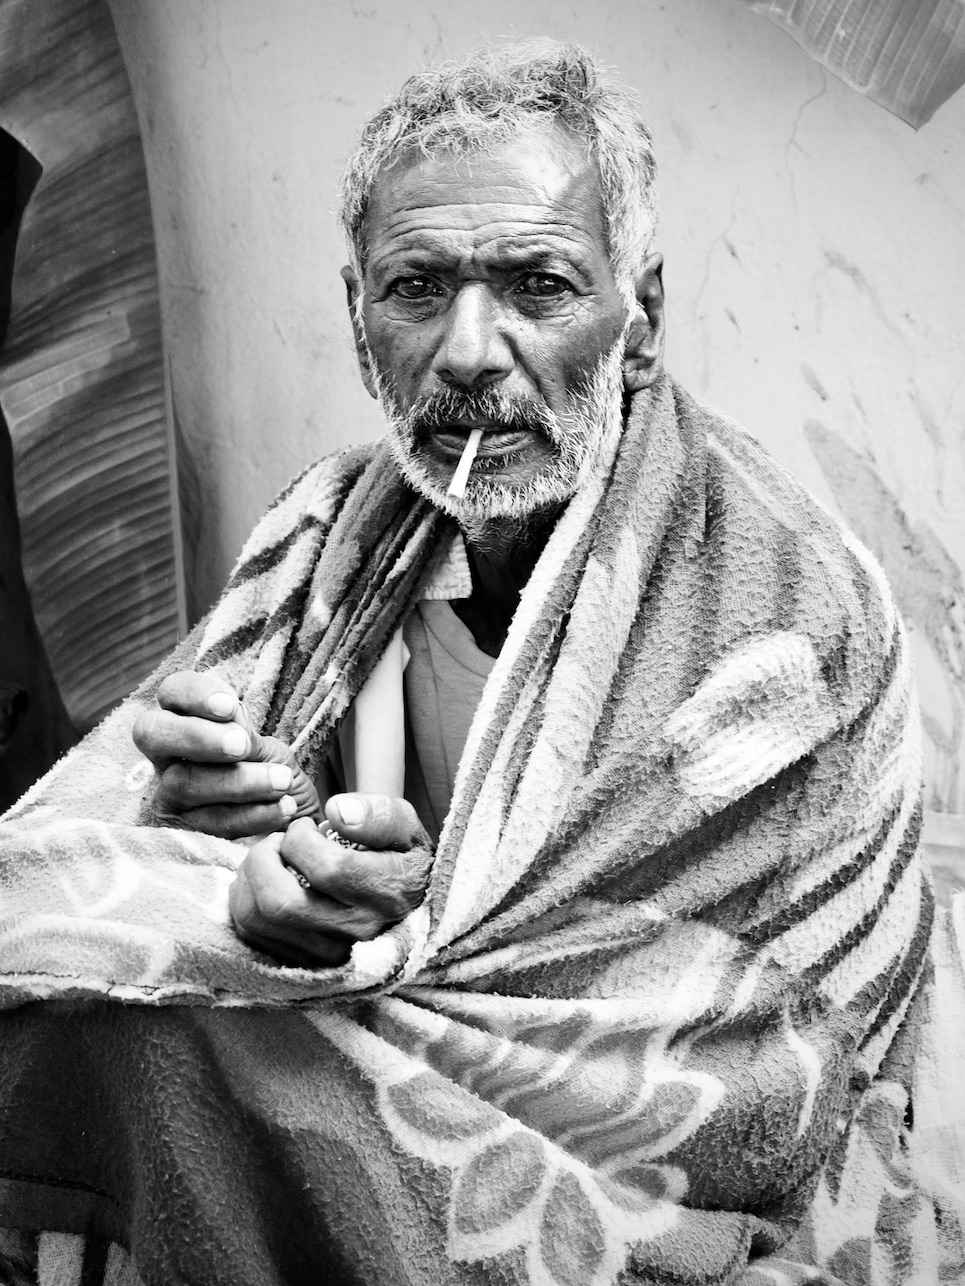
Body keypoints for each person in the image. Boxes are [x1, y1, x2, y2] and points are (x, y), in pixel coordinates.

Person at [0, 38, 958, 1286]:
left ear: (641, 316)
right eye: (415, 289)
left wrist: (343, 942)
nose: (466, 350)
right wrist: (203, 832)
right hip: (377, 1065)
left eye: (537, 284)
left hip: (652, 1169)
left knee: (209, 1058)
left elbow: (731, 1055)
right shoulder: (327, 536)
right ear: (358, 320)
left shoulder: (774, 603)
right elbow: (136, 845)